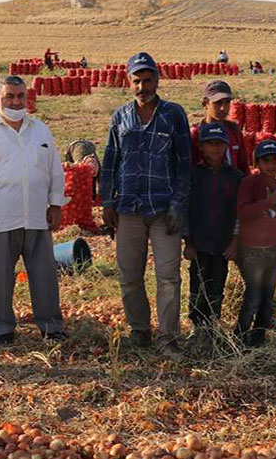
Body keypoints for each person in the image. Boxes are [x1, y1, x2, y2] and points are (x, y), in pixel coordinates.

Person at [0, 75, 67, 345]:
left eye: (20, 96)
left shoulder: (41, 130)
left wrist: (56, 203)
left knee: (44, 275)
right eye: (9, 96)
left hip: (36, 215)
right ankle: (2, 329)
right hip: (0, 218)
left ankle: (51, 326)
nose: (15, 101)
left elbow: (54, 170)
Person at [100, 52, 192, 350]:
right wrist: (107, 202)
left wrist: (179, 205)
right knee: (129, 276)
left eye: (148, 80)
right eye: (137, 81)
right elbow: (111, 161)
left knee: (168, 277)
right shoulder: (121, 116)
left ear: (157, 80)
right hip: (129, 208)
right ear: (130, 82)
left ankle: (168, 337)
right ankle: (139, 331)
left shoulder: (173, 114)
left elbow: (184, 164)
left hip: (164, 208)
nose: (143, 86)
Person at [184, 123, 242, 346]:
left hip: (222, 243)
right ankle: (197, 327)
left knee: (217, 285)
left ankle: (212, 326)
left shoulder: (235, 177)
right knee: (197, 286)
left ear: (226, 146)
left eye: (219, 144)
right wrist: (187, 242)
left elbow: (239, 213)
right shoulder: (194, 174)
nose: (215, 149)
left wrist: (235, 242)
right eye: (210, 145)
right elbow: (187, 209)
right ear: (202, 147)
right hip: (198, 243)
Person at [234, 139, 276, 345]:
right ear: (257, 163)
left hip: (274, 250)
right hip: (252, 250)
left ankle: (258, 338)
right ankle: (240, 338)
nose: (271, 166)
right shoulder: (249, 184)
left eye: (275, 161)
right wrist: (268, 202)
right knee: (253, 296)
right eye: (266, 161)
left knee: (268, 298)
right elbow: (242, 212)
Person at [189, 80, 248, 169]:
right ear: (205, 104)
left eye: (227, 102)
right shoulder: (196, 134)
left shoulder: (234, 132)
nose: (223, 108)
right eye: (218, 102)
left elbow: (243, 166)